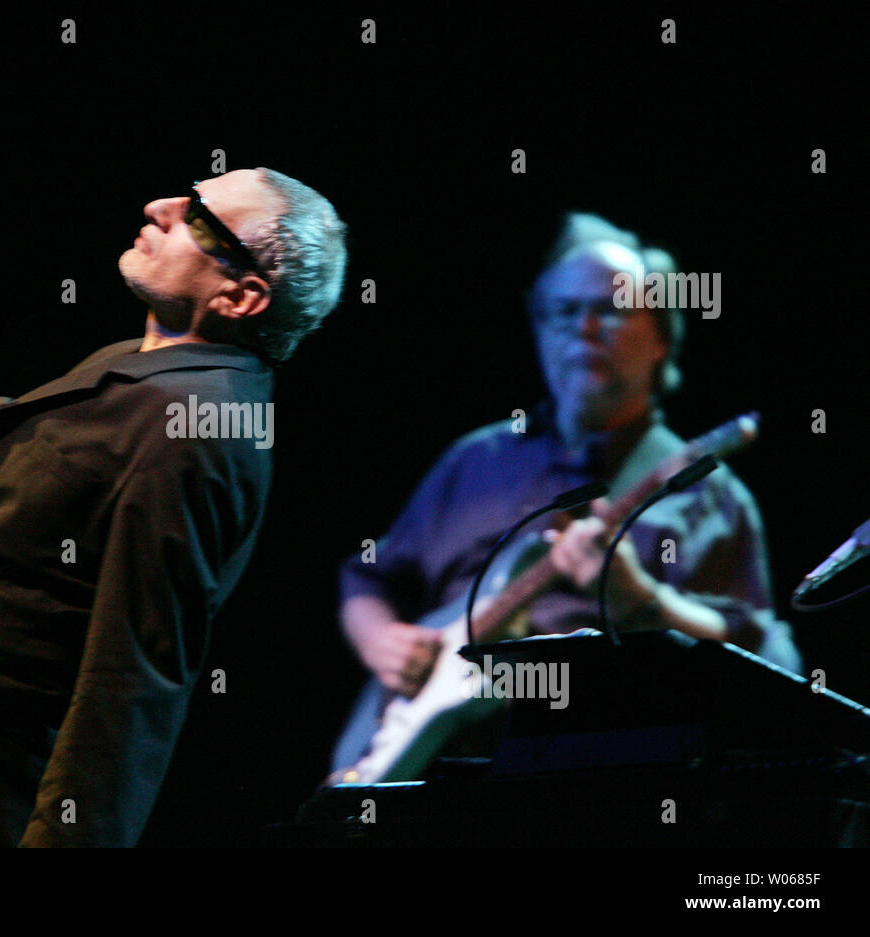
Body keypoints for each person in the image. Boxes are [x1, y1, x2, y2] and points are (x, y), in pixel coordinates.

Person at [0, 168, 348, 846]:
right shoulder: (143, 365)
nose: (159, 206)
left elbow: (129, 684)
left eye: (199, 217)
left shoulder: (199, 428)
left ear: (242, 296)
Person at [333, 212, 799, 774]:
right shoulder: (476, 458)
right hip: (414, 767)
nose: (583, 328)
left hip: (588, 782)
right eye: (563, 311)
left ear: (661, 335)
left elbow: (764, 658)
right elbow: (367, 574)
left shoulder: (711, 496)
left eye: (610, 309)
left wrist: (642, 600)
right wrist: (382, 640)